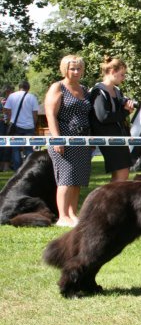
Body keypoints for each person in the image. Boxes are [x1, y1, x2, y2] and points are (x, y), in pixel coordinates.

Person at [44, 55, 94, 227]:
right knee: (66, 177)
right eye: (72, 68)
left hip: (82, 139)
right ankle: (62, 216)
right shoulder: (57, 87)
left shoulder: (84, 89)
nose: (76, 72)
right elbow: (50, 114)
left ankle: (72, 214)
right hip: (64, 137)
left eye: (79, 68)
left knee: (77, 177)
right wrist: (57, 139)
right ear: (65, 69)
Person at [90, 57, 135, 182]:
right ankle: (109, 199)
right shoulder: (98, 91)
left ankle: (112, 199)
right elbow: (103, 117)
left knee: (123, 172)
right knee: (122, 172)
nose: (123, 78)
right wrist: (125, 112)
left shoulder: (117, 90)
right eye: (122, 74)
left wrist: (126, 104)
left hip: (119, 137)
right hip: (108, 137)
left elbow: (119, 107)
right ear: (112, 71)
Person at [3, 80, 39, 171]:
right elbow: (35, 114)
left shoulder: (12, 96)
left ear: (19, 87)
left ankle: (17, 170)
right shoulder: (32, 97)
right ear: (28, 88)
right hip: (29, 127)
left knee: (15, 149)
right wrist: (34, 125)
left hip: (15, 127)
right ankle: (29, 169)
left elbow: (7, 110)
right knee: (29, 149)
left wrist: (10, 120)